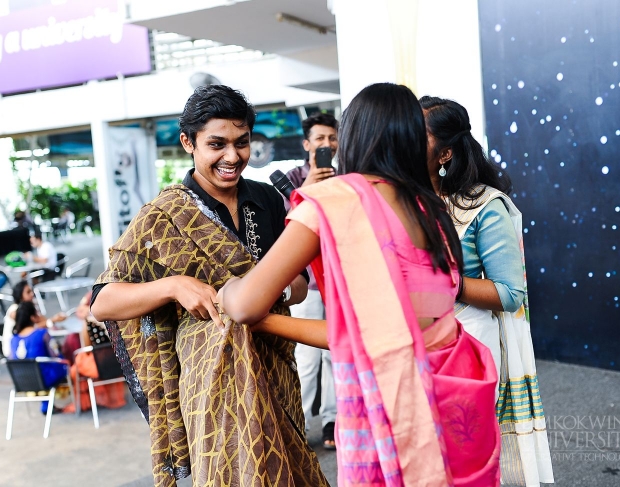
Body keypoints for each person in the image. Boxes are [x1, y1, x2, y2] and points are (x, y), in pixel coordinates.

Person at [219, 83, 501, 486]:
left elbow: (245, 304)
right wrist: (268, 323)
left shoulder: (332, 201)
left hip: (385, 416)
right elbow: (366, 336)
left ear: (350, 135)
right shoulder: (431, 209)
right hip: (453, 408)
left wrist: (228, 292)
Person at [90, 85, 327, 486]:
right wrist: (172, 286)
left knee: (287, 467)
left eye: (242, 143)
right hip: (210, 384)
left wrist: (270, 292)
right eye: (216, 144)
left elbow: (300, 283)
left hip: (274, 365)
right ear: (188, 142)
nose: (232, 157)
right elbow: (103, 302)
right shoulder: (162, 217)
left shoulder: (267, 200)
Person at [420, 96, 554, 486]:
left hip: (468, 344)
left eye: (417, 134)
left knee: (465, 456)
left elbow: (511, 292)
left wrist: (443, 281)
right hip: (413, 345)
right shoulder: (400, 202)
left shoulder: (480, 205)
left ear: (444, 153)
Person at [285, 111, 339, 450]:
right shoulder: (290, 178)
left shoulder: (346, 177)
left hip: (337, 281)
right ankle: (300, 427)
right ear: (307, 144)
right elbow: (286, 228)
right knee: (305, 357)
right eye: (319, 139)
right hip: (306, 283)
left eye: (331, 138)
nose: (326, 144)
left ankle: (334, 423)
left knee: (336, 355)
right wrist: (307, 189)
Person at [61, 291, 127, 414]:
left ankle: (85, 402)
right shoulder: (118, 319)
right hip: (119, 363)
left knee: (78, 362)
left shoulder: (89, 324)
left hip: (100, 365)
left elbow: (86, 347)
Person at [10, 301, 68, 414]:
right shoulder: (42, 334)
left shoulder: (13, 339)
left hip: (22, 381)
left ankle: (46, 405)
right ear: (32, 317)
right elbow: (55, 355)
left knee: (38, 368)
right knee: (63, 362)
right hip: (44, 379)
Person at [1, 281, 67, 357]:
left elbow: (42, 320)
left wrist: (50, 320)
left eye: (31, 291)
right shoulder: (15, 311)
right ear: (20, 296)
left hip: (27, 345)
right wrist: (53, 320)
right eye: (28, 292)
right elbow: (30, 330)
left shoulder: (29, 307)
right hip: (15, 350)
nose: (32, 294)